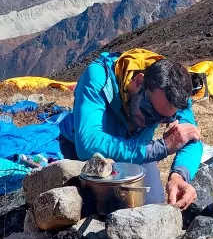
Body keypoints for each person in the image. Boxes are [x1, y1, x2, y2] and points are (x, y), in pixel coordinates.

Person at [58, 50, 202, 209]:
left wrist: (179, 176)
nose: (149, 121)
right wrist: (159, 148)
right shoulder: (99, 76)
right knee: (94, 207)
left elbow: (192, 137)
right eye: (149, 111)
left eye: (162, 119)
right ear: (138, 82)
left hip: (137, 148)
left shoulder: (173, 93)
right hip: (82, 148)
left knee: (150, 205)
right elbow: (88, 143)